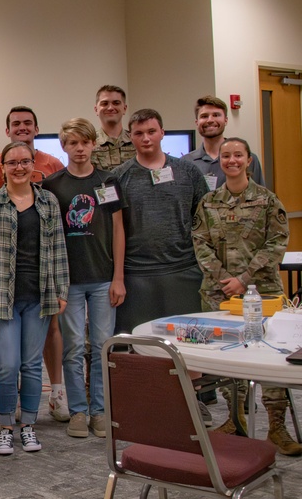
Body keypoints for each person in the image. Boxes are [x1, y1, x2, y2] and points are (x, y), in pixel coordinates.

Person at [191, 137, 299, 455]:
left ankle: (276, 427)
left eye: (238, 155)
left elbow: (277, 242)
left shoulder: (267, 200)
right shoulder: (209, 203)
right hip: (219, 294)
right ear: (221, 161)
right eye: (226, 156)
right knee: (228, 358)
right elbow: (200, 243)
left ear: (248, 160)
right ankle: (235, 421)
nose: (232, 161)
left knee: (271, 357)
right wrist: (226, 279)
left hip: (262, 292)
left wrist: (244, 278)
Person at [0, 106, 68, 421]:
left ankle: (34, 416)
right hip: (4, 293)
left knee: (31, 363)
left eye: (25, 162)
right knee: (8, 365)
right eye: (13, 163)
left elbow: (58, 247)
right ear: (3, 167)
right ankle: (5, 423)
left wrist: (61, 289)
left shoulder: (49, 191)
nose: (19, 167)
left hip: (40, 291)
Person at [42, 119, 126, 439]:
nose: (79, 149)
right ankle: (78, 410)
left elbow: (118, 229)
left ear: (94, 144)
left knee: (103, 346)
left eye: (85, 142)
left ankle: (100, 410)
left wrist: (118, 276)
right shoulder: (53, 185)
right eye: (72, 143)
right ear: (63, 146)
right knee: (74, 346)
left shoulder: (108, 181)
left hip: (104, 277)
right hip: (70, 282)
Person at [112, 109, 210, 336]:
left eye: (151, 131)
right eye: (139, 133)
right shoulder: (118, 177)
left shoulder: (189, 172)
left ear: (162, 133)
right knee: (142, 346)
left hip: (183, 270)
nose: (146, 138)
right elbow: (114, 230)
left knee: (188, 342)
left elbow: (204, 223)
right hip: (137, 274)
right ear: (130, 136)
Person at [181, 95, 264, 190]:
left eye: (216, 115)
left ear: (226, 120)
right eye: (204, 116)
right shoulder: (186, 162)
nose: (210, 120)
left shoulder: (245, 159)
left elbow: (261, 196)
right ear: (197, 122)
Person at [89, 85, 136, 171]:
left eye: (116, 103)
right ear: (96, 109)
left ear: (125, 109)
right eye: (105, 103)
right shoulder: (88, 143)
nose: (110, 108)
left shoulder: (137, 140)